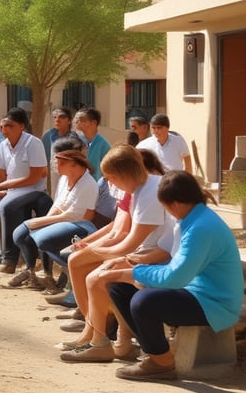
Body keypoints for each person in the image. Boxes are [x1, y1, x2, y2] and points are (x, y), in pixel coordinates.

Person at [105, 171, 243, 381]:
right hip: (194, 291)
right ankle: (157, 352)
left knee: (144, 302)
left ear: (174, 204)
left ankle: (161, 364)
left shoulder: (201, 228)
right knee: (119, 287)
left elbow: (176, 277)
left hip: (215, 304)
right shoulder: (192, 219)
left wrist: (135, 272)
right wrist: (134, 268)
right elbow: (176, 266)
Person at [60, 144, 170, 362]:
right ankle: (101, 338)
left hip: (158, 258)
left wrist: (96, 251)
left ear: (122, 174)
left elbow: (130, 243)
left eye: (110, 178)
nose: (109, 184)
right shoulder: (141, 190)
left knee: (97, 277)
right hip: (148, 253)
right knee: (96, 274)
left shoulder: (148, 193)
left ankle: (101, 341)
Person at [0, 108, 51, 273]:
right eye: (2, 126)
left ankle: (9, 260)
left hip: (34, 190)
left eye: (9, 126)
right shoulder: (3, 145)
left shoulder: (33, 143)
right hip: (14, 191)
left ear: (21, 126)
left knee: (6, 205)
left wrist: (6, 186)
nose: (4, 130)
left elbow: (35, 177)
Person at [10, 149, 98, 289]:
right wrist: (44, 220)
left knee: (43, 238)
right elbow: (57, 205)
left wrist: (40, 222)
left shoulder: (89, 184)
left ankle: (67, 269)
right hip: (61, 219)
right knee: (20, 234)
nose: (57, 165)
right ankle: (30, 272)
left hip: (78, 225)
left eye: (62, 163)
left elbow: (73, 215)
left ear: (75, 164)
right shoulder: (64, 180)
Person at [42, 107, 73, 194]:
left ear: (69, 120)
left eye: (62, 117)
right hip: (53, 174)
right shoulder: (48, 135)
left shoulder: (75, 138)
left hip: (70, 173)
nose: (57, 119)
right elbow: (44, 157)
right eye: (55, 117)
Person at [74, 108, 110, 180]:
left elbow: (108, 172)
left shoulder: (104, 146)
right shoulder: (74, 143)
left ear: (93, 123)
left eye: (82, 120)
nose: (78, 123)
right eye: (76, 120)